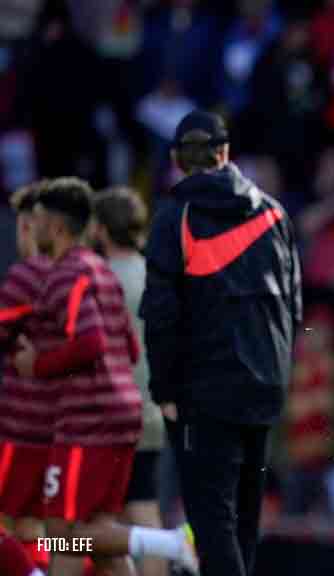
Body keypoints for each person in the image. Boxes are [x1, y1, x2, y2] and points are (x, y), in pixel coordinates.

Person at [140, 109, 303, 576]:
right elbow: (293, 305)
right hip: (266, 386)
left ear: (176, 160)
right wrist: (278, 373)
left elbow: (162, 316)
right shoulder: (274, 212)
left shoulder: (175, 218)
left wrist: (165, 391)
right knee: (246, 515)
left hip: (206, 393)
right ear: (225, 153)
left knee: (212, 517)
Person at [12, 178, 197, 575]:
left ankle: (165, 542)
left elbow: (92, 342)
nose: (29, 231)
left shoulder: (69, 274)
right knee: (92, 532)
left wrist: (40, 366)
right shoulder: (101, 271)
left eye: (36, 223)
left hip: (87, 422)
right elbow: (128, 346)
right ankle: (161, 542)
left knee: (60, 533)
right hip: (121, 414)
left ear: (57, 228)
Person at [92, 187, 168, 576]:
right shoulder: (157, 276)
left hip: (109, 418)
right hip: (151, 412)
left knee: (94, 522)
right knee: (143, 508)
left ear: (102, 229)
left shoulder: (100, 280)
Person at [0, 182, 54, 574]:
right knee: (42, 531)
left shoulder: (24, 278)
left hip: (24, 429)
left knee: (14, 528)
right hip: (67, 426)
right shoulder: (79, 270)